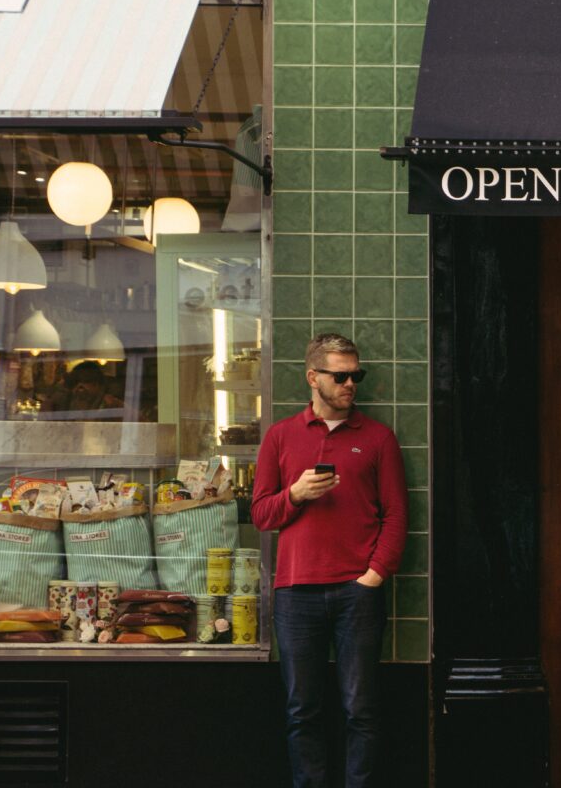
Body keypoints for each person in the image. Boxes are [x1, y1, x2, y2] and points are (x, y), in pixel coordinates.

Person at [251, 332, 408, 788]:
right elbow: (261, 514)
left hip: (356, 593)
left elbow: (396, 515)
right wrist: (295, 495)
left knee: (360, 707)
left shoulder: (377, 438)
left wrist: (374, 576)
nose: (350, 384)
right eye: (340, 376)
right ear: (312, 378)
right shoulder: (281, 437)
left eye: (355, 375)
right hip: (295, 593)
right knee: (303, 709)